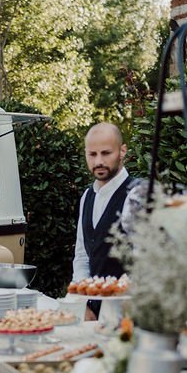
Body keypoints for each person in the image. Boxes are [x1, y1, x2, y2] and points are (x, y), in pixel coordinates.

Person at [72, 123, 141, 319]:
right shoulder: (87, 196)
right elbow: (82, 256)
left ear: (122, 151)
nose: (99, 161)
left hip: (126, 315)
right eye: (92, 154)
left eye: (106, 153)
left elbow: (144, 264)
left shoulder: (136, 195)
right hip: (91, 314)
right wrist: (83, 301)